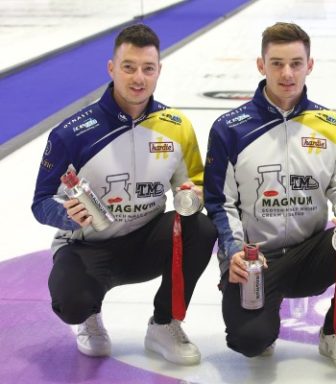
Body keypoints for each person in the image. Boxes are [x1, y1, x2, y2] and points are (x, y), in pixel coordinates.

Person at [31, 24, 216, 365]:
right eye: (128, 67)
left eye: (148, 69)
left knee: (201, 229)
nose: (138, 78)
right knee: (71, 303)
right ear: (111, 68)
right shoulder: (72, 133)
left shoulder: (176, 126)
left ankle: (164, 324)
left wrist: (193, 194)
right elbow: (40, 203)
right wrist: (65, 214)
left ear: (159, 71)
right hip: (88, 247)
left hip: (146, 241)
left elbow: (197, 184)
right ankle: (89, 314)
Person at [204, 22, 336, 371]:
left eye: (296, 63)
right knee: (250, 341)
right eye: (277, 63)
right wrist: (234, 252)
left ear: (309, 65)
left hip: (310, 253)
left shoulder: (333, 125)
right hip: (256, 260)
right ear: (261, 65)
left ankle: (335, 332)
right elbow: (217, 202)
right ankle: (259, 319)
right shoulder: (230, 128)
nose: (287, 73)